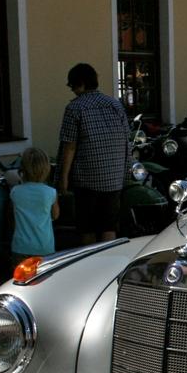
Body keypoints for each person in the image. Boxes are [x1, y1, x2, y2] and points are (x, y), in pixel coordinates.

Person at [56, 63, 129, 245]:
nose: (72, 90)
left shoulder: (75, 108)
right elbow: (126, 138)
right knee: (108, 226)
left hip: (87, 179)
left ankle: (90, 263)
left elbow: (69, 146)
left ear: (80, 83)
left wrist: (63, 178)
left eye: (72, 86)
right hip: (114, 178)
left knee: (87, 227)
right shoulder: (115, 104)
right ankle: (109, 262)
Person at [10, 147, 60, 266]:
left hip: (20, 247)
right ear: (46, 169)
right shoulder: (51, 192)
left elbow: (11, 217)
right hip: (45, 248)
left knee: (20, 281)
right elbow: (55, 215)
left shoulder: (15, 191)